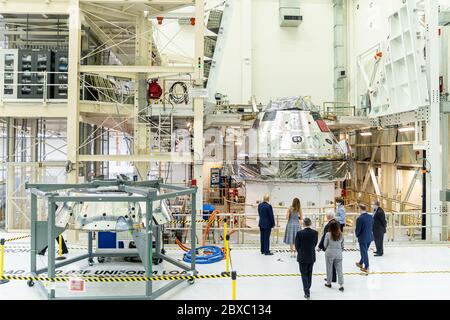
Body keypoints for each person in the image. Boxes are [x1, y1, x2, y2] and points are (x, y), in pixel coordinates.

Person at [295, 218, 318, 300]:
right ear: (310, 223)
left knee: (304, 274)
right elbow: (315, 243)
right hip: (311, 256)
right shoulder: (315, 233)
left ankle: (306, 292)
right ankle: (308, 286)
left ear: (303, 224)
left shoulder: (299, 233)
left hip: (302, 256)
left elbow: (297, 245)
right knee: (309, 272)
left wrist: (300, 252)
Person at [323, 220, 344, 291]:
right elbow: (342, 246)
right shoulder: (341, 234)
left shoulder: (328, 234)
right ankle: (341, 285)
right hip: (338, 254)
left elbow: (325, 245)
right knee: (339, 270)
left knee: (329, 269)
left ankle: (329, 283)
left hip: (329, 253)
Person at [318, 213, 337, 283]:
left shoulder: (328, 225)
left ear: (328, 217)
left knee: (329, 264)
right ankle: (334, 278)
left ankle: (331, 278)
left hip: (330, 247)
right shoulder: (337, 223)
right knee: (335, 263)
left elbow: (324, 237)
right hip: (337, 247)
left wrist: (320, 246)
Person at [355, 204, 373, 273]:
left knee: (364, 252)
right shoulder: (370, 217)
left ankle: (366, 267)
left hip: (363, 238)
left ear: (360, 209)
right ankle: (360, 263)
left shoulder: (360, 218)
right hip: (369, 237)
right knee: (364, 251)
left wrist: (357, 235)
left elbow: (358, 229)